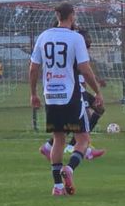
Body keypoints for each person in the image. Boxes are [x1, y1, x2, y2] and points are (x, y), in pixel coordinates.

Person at [29, 3, 103, 197]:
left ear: (56, 15)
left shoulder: (43, 36)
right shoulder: (75, 38)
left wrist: (33, 94)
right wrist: (98, 92)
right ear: (72, 16)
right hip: (71, 95)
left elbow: (33, 68)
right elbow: (85, 69)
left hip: (50, 96)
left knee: (58, 140)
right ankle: (69, 168)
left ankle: (57, 187)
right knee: (83, 139)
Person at [40, 28, 106, 161]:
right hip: (74, 91)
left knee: (90, 113)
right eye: (88, 41)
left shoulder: (77, 48)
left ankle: (51, 146)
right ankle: (81, 147)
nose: (89, 44)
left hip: (76, 90)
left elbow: (86, 70)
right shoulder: (75, 47)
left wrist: (96, 81)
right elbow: (83, 70)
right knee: (82, 116)